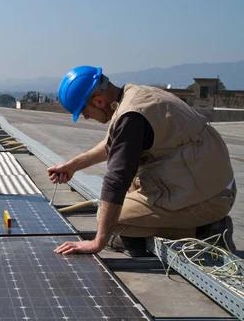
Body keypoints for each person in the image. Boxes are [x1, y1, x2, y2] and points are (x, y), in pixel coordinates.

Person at [49, 65, 236, 257]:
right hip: (207, 184)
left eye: (84, 112)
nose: (86, 117)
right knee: (115, 209)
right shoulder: (136, 96)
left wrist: (97, 242)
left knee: (114, 220)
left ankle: (209, 232)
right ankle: (143, 235)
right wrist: (72, 166)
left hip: (209, 198)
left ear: (98, 101)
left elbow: (116, 181)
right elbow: (111, 144)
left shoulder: (131, 117)